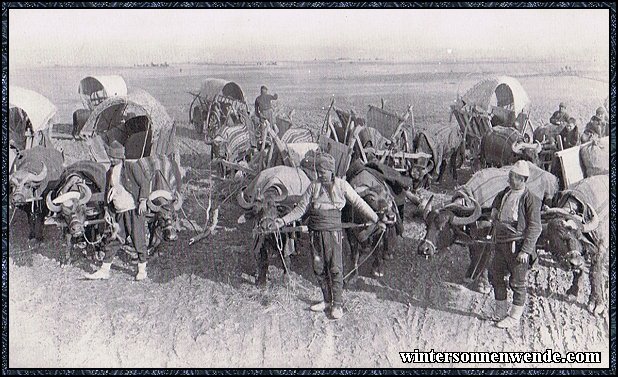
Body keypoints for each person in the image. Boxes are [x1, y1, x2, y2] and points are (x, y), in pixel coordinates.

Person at [274, 153, 386, 320]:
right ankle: (326, 300)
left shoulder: (342, 185)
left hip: (333, 234)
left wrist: (376, 219)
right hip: (315, 233)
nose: (320, 174)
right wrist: (281, 221)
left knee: (335, 268)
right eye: (318, 171)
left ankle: (337, 305)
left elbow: (359, 203)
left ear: (331, 171)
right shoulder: (313, 186)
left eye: (323, 171)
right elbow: (300, 210)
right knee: (318, 268)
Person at [85, 141, 151, 281]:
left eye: (114, 157)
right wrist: (107, 211)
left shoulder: (131, 167)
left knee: (138, 239)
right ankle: (104, 270)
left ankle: (142, 269)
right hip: (119, 211)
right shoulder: (110, 172)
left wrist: (143, 200)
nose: (111, 159)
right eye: (110, 157)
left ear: (120, 157)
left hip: (133, 210)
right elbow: (106, 193)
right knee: (115, 239)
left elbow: (144, 182)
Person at [488, 160, 542, 329]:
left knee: (518, 283)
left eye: (514, 177)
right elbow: (496, 205)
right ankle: (500, 311)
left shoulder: (530, 199)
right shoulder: (505, 192)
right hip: (501, 242)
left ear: (523, 180)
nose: (510, 179)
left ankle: (514, 317)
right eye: (510, 176)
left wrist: (526, 250)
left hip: (517, 246)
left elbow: (535, 227)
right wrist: (494, 212)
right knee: (496, 276)